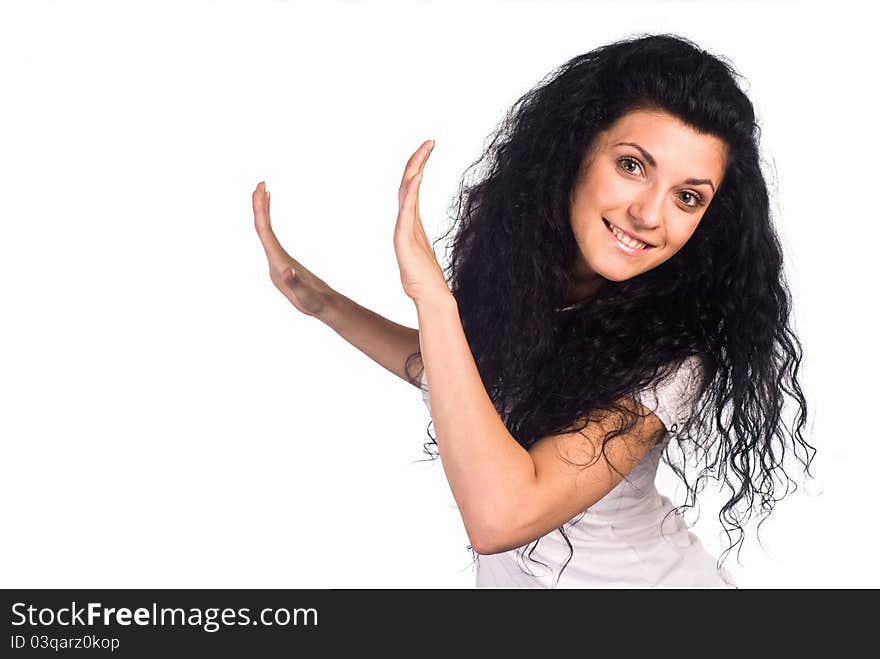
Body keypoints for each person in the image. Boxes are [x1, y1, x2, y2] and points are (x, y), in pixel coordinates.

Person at [251, 33, 815, 588]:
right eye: (632, 166)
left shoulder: (676, 360)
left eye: (687, 197)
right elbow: (453, 376)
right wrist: (323, 304)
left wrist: (433, 298)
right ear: (577, 149)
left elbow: (502, 517)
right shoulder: (532, 290)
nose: (648, 214)